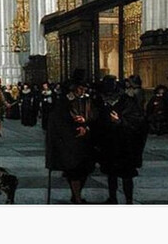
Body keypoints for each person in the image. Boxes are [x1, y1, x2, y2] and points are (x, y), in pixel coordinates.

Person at [45, 79, 98, 204]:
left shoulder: (87, 100)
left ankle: (76, 195)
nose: (83, 91)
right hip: (70, 141)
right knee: (74, 170)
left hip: (86, 140)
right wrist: (75, 128)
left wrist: (86, 124)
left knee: (85, 169)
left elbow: (95, 115)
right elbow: (59, 121)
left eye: (84, 88)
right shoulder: (64, 102)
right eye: (80, 88)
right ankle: (77, 197)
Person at [97, 75, 146, 204]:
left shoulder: (127, 101)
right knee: (111, 173)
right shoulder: (101, 101)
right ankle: (112, 198)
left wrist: (119, 121)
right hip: (109, 142)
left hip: (125, 143)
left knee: (126, 174)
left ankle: (129, 200)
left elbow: (137, 121)